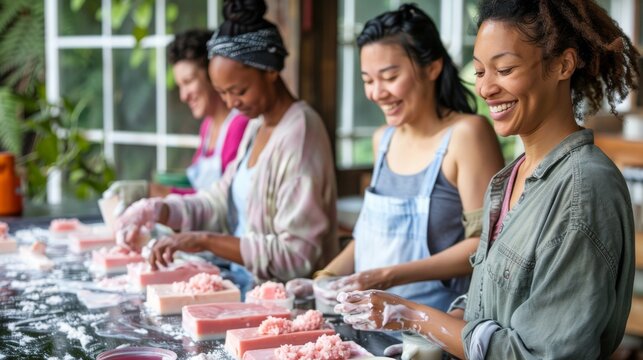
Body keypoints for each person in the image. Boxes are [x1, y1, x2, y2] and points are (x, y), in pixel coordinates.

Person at [335, 0, 638, 359]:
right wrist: (438, 335)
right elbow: (490, 298)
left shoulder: (583, 189)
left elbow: (538, 353)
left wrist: (412, 315)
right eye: (480, 73)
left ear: (563, 65)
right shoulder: (511, 177)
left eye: (505, 69)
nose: (486, 89)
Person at [293, 3, 503, 312]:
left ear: (432, 67)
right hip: (368, 322)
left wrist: (388, 277)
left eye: (389, 76)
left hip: (432, 334)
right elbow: (367, 240)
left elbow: (484, 246)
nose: (377, 93)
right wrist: (324, 279)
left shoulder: (466, 135)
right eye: (367, 80)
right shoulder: (383, 139)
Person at [115, 0, 339, 284]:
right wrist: (160, 209)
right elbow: (220, 200)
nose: (232, 103)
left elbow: (297, 256)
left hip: (285, 304)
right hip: (244, 283)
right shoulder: (257, 125)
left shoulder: (301, 134)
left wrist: (205, 240)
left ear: (270, 71)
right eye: (223, 93)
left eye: (239, 91)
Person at [102, 29, 250, 211]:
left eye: (188, 81)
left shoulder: (239, 126)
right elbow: (195, 189)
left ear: (213, 74)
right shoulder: (208, 127)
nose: (183, 96)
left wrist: (153, 191)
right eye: (180, 85)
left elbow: (219, 202)